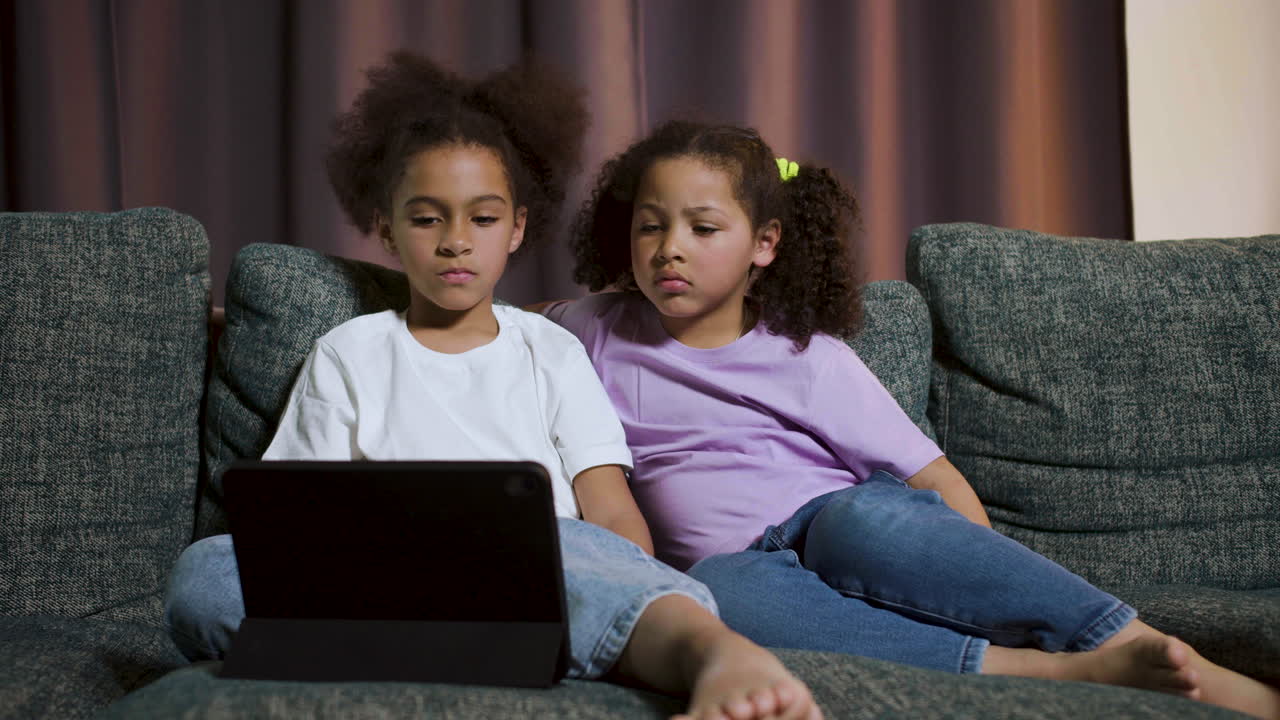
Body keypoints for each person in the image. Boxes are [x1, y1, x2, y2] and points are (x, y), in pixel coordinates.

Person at [538, 120, 1280, 719]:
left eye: (703, 229)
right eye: (649, 227)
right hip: (736, 565)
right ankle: (1044, 674)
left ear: (764, 244)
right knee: (721, 591)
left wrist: (969, 570)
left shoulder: (807, 355)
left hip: (834, 522)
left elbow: (935, 476)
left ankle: (1140, 645)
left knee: (864, 516)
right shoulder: (589, 330)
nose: (670, 249)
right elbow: (493, 330)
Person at [163, 54, 823, 720]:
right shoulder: (350, 353)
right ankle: (496, 647)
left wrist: (626, 571)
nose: (455, 242)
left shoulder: (551, 351)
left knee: (581, 550)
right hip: (388, 581)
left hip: (539, 573)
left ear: (516, 228)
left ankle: (709, 651)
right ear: (387, 229)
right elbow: (292, 519)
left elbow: (613, 511)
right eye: (426, 219)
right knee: (205, 574)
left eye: (481, 219)